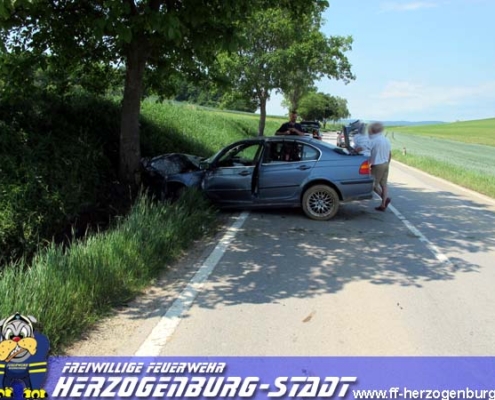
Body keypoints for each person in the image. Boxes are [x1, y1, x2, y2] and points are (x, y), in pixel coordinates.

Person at [368, 122, 391, 211]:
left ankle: (384, 200)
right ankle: (383, 203)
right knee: (384, 184)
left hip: (377, 165)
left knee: (373, 185)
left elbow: (367, 152)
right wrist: (388, 163)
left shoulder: (373, 140)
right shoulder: (386, 139)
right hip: (385, 163)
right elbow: (389, 153)